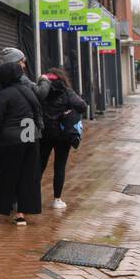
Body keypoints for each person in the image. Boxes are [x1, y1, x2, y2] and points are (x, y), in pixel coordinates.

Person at [0, 61, 44, 225]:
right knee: (27, 176)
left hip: (10, 139)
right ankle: (21, 214)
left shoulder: (3, 94)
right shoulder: (28, 91)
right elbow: (37, 114)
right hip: (30, 137)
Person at [37, 67, 87, 209]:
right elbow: (82, 106)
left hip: (45, 133)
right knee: (60, 166)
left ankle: (33, 197)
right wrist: (69, 112)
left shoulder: (43, 90)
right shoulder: (67, 91)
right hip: (63, 134)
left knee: (40, 165)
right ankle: (57, 199)